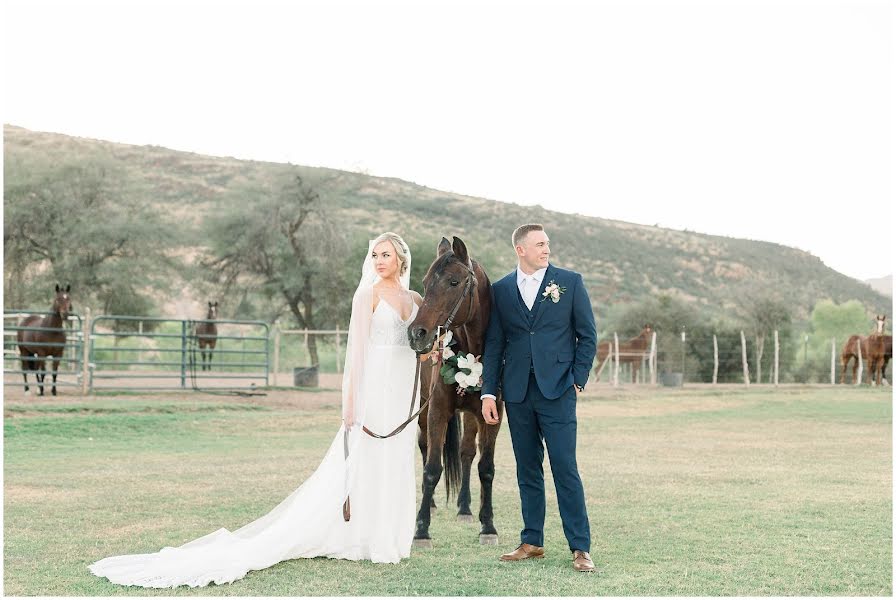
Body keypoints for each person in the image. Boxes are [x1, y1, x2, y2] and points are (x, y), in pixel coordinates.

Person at [89, 232, 423, 588]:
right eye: (374, 255)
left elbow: (421, 342)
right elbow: (356, 352)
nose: (378, 261)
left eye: (385, 254)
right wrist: (350, 402)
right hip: (373, 391)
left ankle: (390, 535)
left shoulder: (416, 298)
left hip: (404, 392)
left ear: (401, 258)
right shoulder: (366, 295)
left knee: (397, 458)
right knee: (366, 461)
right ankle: (363, 537)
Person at [480, 223, 597, 573]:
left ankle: (580, 547)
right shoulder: (501, 290)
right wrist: (489, 391)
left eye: (547, 244)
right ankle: (532, 541)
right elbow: (495, 343)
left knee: (565, 468)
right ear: (521, 250)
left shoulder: (570, 282)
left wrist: (577, 378)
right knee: (527, 469)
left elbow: (587, 335)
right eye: (539, 244)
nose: (546, 249)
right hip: (516, 394)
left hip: (558, 390)